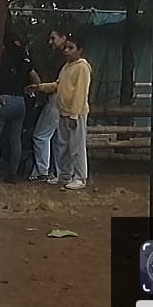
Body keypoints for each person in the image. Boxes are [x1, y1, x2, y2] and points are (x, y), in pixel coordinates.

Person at [28, 33, 92, 190]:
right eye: (66, 48)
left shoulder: (82, 67)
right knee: (62, 145)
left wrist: (74, 114)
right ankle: (64, 174)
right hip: (62, 111)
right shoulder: (66, 67)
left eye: (71, 48)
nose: (66, 51)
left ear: (80, 50)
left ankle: (80, 177)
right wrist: (39, 87)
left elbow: (80, 93)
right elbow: (58, 85)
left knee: (76, 146)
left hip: (75, 113)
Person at [0, 32, 39, 181]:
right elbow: (36, 80)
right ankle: (13, 173)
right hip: (20, 101)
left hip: (3, 100)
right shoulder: (24, 59)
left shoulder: (1, 59)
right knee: (15, 139)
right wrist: (31, 91)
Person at [27, 29, 68, 181]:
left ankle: (42, 171)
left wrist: (41, 88)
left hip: (56, 98)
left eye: (53, 38)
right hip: (60, 99)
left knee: (41, 136)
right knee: (56, 138)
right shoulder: (59, 58)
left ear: (63, 38)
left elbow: (57, 83)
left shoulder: (63, 60)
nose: (50, 42)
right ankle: (57, 171)